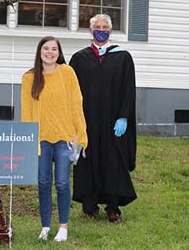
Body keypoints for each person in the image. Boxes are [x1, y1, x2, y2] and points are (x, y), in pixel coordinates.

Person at [69, 14, 137, 223]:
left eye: (105, 27)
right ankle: (89, 206)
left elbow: (128, 90)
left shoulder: (123, 57)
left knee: (113, 162)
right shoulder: (80, 58)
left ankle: (113, 207)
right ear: (90, 31)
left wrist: (123, 117)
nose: (101, 30)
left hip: (112, 122)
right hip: (86, 121)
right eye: (97, 27)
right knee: (87, 160)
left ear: (111, 31)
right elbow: (71, 92)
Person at [21, 36, 88, 242]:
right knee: (43, 182)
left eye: (54, 49)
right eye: (46, 48)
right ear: (39, 51)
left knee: (61, 182)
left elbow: (77, 104)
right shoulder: (30, 77)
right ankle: (45, 226)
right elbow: (26, 112)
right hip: (41, 139)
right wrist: (28, 139)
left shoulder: (67, 73)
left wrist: (80, 135)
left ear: (59, 53)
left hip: (65, 138)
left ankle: (63, 227)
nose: (50, 52)